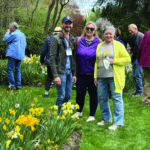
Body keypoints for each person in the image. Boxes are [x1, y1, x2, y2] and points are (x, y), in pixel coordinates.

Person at [94, 25, 131, 130]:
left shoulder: (118, 45)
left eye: (110, 33)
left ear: (114, 34)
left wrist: (114, 61)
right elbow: (97, 62)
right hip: (101, 76)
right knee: (102, 98)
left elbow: (127, 59)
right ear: (103, 34)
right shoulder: (100, 45)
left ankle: (118, 122)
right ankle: (106, 119)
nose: (108, 35)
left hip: (114, 76)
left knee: (116, 98)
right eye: (106, 33)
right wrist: (95, 76)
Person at [75, 21, 102, 122]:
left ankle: (92, 115)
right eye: (87, 28)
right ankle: (79, 111)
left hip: (92, 74)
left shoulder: (99, 42)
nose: (89, 30)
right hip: (80, 73)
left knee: (93, 94)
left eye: (91, 29)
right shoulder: (79, 40)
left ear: (94, 31)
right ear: (85, 30)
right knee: (80, 94)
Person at [50, 16, 76, 111]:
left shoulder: (72, 39)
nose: (68, 25)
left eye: (70, 23)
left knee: (68, 96)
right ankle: (57, 116)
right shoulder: (56, 39)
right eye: (66, 23)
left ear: (72, 25)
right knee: (61, 96)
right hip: (61, 71)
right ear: (62, 24)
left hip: (69, 72)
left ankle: (60, 111)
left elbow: (73, 58)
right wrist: (55, 75)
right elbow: (52, 58)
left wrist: (74, 74)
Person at [3, 22, 26, 90]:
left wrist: (7, 32)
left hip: (13, 54)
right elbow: (25, 45)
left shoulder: (14, 34)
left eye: (10, 28)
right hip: (20, 54)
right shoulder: (22, 35)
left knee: (9, 69)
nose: (9, 29)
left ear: (13, 28)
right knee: (17, 70)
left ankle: (12, 85)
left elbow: (5, 40)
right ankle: (18, 86)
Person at [40, 27, 62, 97]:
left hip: (50, 62)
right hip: (59, 62)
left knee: (49, 77)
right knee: (60, 77)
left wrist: (42, 61)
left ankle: (46, 93)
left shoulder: (48, 39)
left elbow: (43, 52)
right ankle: (60, 93)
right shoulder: (62, 39)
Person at [128, 24, 144, 96]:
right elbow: (135, 48)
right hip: (134, 59)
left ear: (135, 28)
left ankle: (140, 92)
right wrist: (129, 50)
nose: (130, 31)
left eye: (130, 30)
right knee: (134, 76)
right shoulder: (134, 37)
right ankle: (137, 91)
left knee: (137, 75)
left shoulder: (141, 36)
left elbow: (143, 48)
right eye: (129, 30)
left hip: (139, 59)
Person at [137, 30, 150, 105]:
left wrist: (140, 59)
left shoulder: (147, 33)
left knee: (148, 81)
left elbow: (140, 48)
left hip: (145, 61)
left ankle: (146, 100)